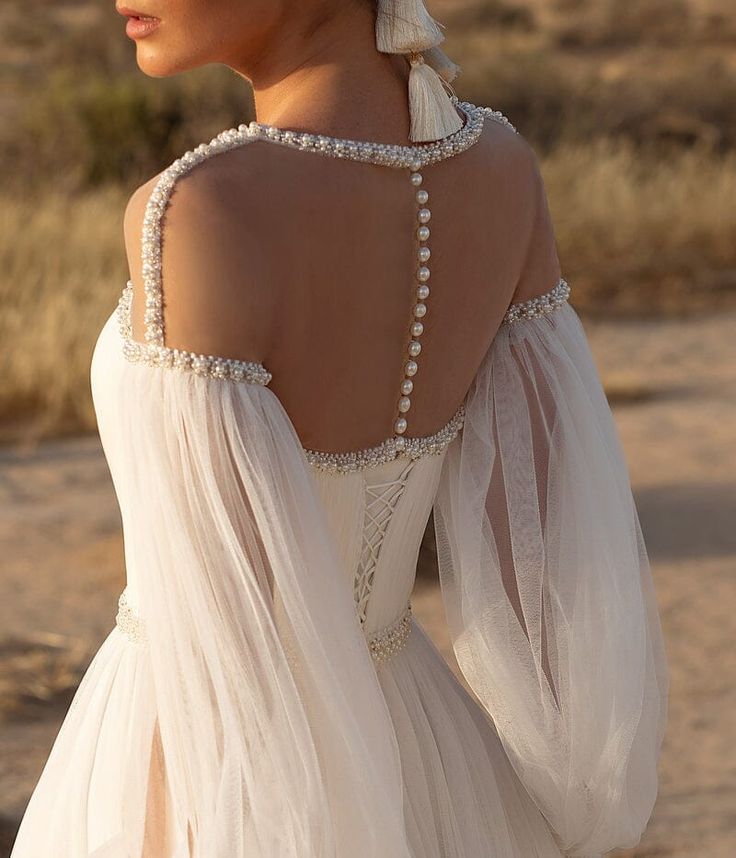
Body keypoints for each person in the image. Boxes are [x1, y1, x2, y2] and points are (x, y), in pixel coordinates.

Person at [11, 0, 668, 856]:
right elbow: (545, 556)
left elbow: (221, 644)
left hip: (207, 765)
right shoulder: (502, 167)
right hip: (425, 753)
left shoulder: (198, 210)